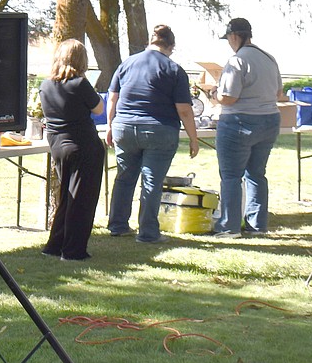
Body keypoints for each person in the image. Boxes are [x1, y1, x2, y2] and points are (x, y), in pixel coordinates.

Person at [106, 24, 200, 243]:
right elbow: (184, 110)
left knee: (124, 177)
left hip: (124, 127)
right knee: (151, 181)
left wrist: (111, 125)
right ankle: (148, 232)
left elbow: (112, 98)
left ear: (151, 42)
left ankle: (118, 225)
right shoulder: (174, 69)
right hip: (159, 129)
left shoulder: (127, 64)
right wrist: (194, 138)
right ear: (171, 46)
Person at [212, 18, 283, 236]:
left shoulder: (237, 60)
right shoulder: (269, 58)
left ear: (234, 36)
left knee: (231, 176)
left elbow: (229, 98)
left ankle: (229, 226)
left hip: (239, 122)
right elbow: (278, 93)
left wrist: (213, 94)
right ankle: (258, 225)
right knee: (256, 174)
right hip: (269, 119)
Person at [40, 39, 105, 260]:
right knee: (82, 199)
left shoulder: (46, 85)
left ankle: (55, 244)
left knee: (66, 197)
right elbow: (98, 108)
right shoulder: (80, 83)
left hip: (58, 144)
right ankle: (73, 250)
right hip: (83, 144)